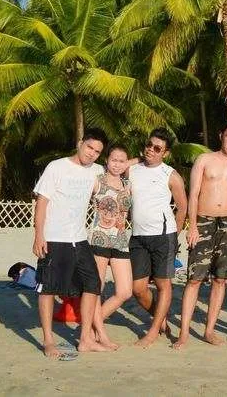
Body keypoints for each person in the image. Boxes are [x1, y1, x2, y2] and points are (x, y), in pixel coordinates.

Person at [32, 128, 112, 359]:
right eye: (89, 147)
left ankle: (85, 339)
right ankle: (48, 340)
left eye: (97, 151)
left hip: (79, 238)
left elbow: (121, 163)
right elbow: (42, 202)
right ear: (80, 143)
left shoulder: (97, 171)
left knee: (92, 284)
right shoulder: (56, 167)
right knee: (48, 289)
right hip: (54, 238)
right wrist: (39, 235)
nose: (92, 154)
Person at [173, 118, 227, 349]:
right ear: (221, 136)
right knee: (195, 278)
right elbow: (194, 193)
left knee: (220, 279)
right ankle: (184, 333)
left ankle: (209, 330)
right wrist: (193, 226)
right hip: (204, 221)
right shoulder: (205, 159)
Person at [128, 128, 188, 348]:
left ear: (166, 153)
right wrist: (139, 157)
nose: (151, 150)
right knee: (137, 288)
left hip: (163, 236)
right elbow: (117, 164)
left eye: (157, 148)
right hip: (138, 236)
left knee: (163, 284)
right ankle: (160, 319)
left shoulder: (170, 174)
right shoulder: (133, 169)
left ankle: (153, 331)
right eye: (149, 145)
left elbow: (182, 208)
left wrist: (175, 234)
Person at [89, 144, 133, 350]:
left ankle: (90, 326)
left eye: (122, 161)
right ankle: (101, 333)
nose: (117, 164)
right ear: (106, 160)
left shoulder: (127, 184)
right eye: (113, 160)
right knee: (97, 288)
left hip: (120, 240)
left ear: (127, 163)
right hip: (99, 238)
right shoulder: (97, 181)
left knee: (125, 291)